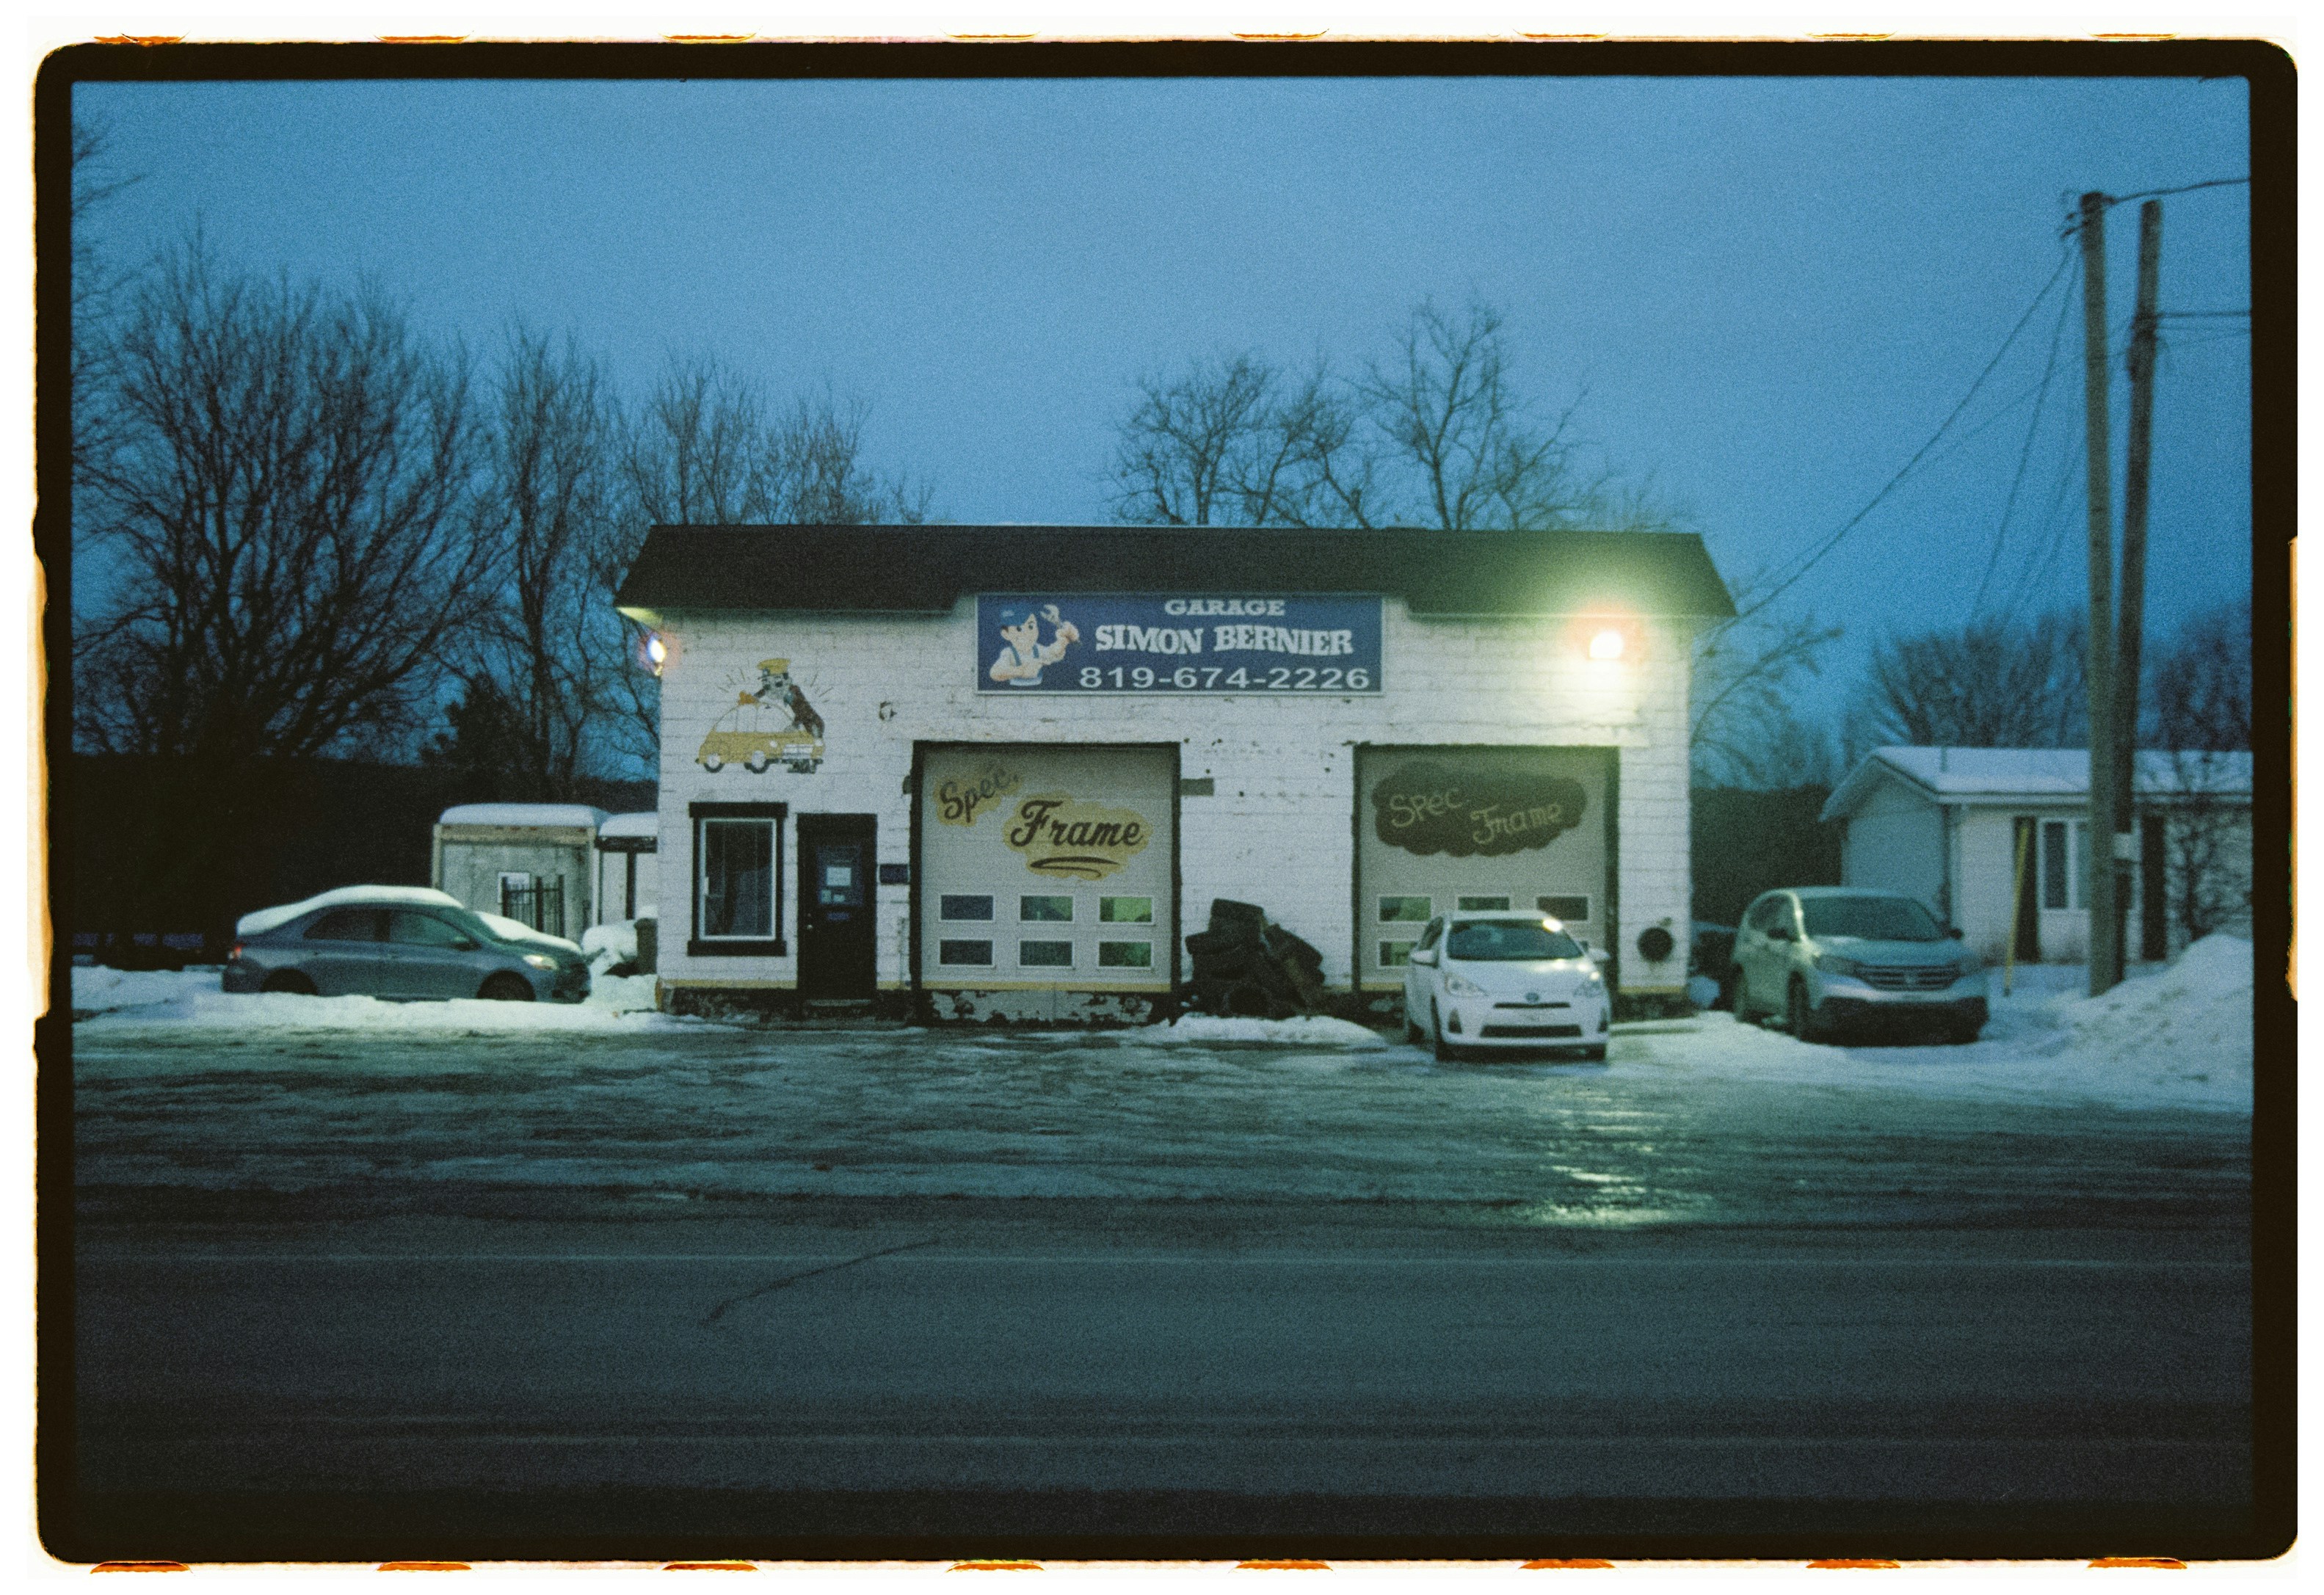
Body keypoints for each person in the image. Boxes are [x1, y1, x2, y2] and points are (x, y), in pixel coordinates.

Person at [989, 603, 1080, 686]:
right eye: (1019, 629)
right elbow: (995, 672)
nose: (1026, 633)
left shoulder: (1037, 649)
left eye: (1031, 626)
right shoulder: (1009, 653)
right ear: (1005, 634)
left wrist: (1063, 640)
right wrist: (1022, 671)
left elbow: (1052, 652)